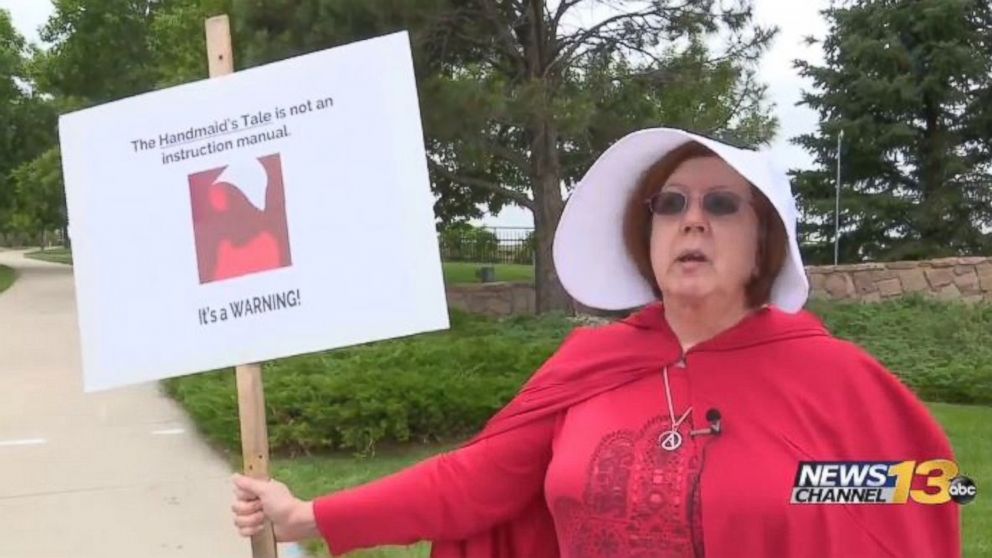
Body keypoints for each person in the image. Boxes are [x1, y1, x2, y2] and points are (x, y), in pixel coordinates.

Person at [231, 128, 961, 557]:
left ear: (763, 237)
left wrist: (813, 485)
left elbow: (933, 489)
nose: (692, 220)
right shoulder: (593, 366)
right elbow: (471, 484)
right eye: (670, 204)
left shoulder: (830, 378)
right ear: (646, 237)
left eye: (721, 203)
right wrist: (309, 516)